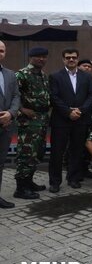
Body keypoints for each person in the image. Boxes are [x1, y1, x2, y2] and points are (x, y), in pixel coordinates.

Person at [49, 48, 92, 192]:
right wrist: (68, 112)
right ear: (63, 59)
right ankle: (55, 182)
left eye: (74, 57)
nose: (71, 60)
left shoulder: (87, 77)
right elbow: (54, 97)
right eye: (68, 57)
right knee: (57, 152)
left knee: (77, 150)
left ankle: (73, 178)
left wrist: (80, 110)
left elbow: (91, 96)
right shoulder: (55, 76)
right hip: (61, 120)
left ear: (77, 59)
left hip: (81, 119)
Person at [13, 47, 50, 201]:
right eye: (38, 57)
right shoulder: (21, 74)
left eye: (44, 57)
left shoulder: (42, 75)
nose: (41, 59)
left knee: (36, 153)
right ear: (31, 57)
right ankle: (21, 188)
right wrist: (22, 109)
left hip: (41, 120)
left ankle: (29, 182)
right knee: (26, 154)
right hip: (28, 122)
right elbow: (13, 95)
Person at [0, 41, 21, 208]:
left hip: (5, 126)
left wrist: (11, 113)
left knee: (1, 163)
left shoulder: (10, 74)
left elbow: (16, 96)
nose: (0, 53)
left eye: (2, 51)